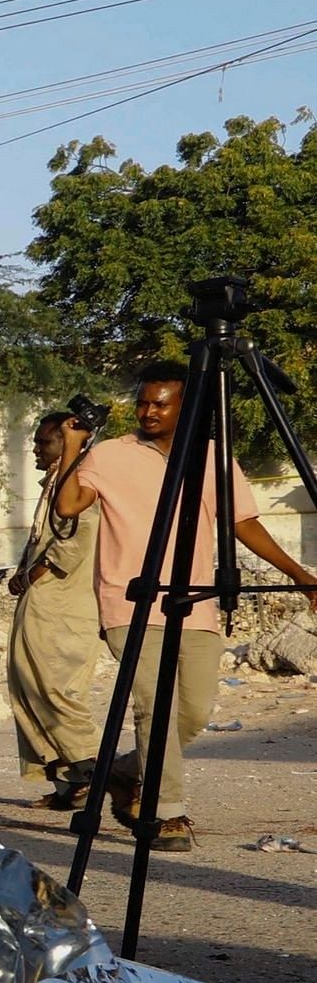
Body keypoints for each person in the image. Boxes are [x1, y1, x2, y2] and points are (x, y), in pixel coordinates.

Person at [52, 364, 317, 851]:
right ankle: (166, 813)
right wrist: (74, 446)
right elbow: (68, 506)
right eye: (143, 401)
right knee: (155, 705)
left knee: (192, 714)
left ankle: (124, 772)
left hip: (195, 601)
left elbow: (244, 523)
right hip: (130, 598)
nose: (148, 411)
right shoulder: (110, 455)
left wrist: (299, 575)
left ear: (187, 406)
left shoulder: (215, 458)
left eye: (161, 403)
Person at [5, 409, 106, 810]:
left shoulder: (82, 483)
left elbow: (75, 540)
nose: (34, 449)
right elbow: (41, 541)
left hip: (66, 602)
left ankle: (96, 770)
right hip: (43, 599)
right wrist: (22, 572)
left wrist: (34, 574)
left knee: (56, 690)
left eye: (44, 442)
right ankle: (69, 784)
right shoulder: (54, 485)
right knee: (28, 685)